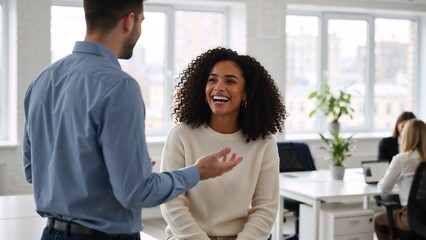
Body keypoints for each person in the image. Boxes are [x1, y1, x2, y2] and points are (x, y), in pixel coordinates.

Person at [22, 1, 243, 240]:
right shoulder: (119, 86)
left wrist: (117, 169)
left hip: (51, 233)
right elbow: (136, 193)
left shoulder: (42, 81)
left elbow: (34, 171)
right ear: (129, 21)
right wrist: (198, 172)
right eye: (142, 21)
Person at [160, 47, 287, 240]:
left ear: (246, 93)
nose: (219, 87)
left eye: (230, 81)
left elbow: (265, 209)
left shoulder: (264, 142)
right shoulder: (181, 135)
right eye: (212, 80)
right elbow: (171, 203)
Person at [374, 118, 426, 240]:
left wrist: (383, 179)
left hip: (412, 218)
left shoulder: (402, 159)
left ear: (406, 136)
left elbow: (384, 189)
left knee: (377, 220)